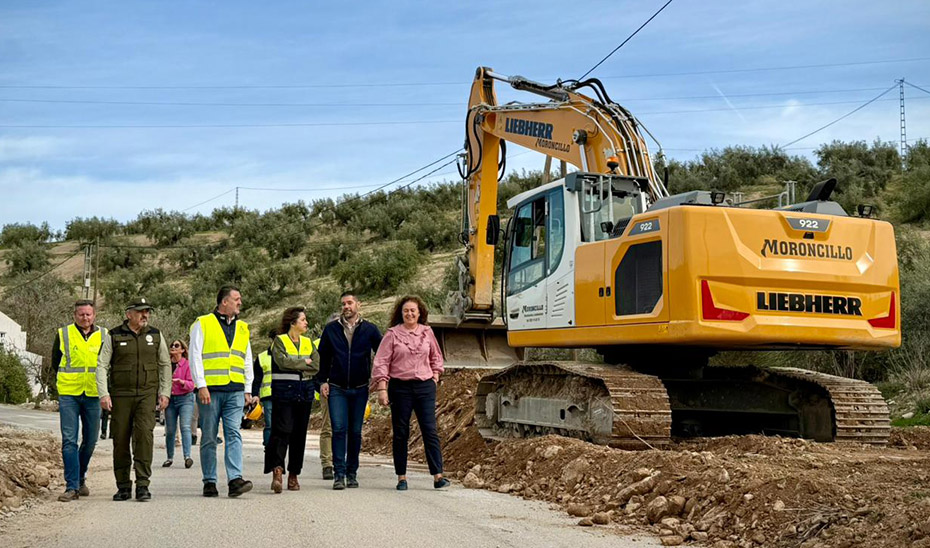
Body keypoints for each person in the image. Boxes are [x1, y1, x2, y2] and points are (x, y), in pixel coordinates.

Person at [96, 297, 171, 501]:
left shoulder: (155, 335)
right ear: (129, 314)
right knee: (120, 440)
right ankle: (123, 486)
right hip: (121, 396)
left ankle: (143, 485)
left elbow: (165, 363)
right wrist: (104, 393)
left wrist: (165, 392)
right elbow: (102, 365)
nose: (145, 315)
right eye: (140, 311)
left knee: (144, 439)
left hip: (147, 395)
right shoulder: (114, 335)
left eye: (147, 311)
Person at [371, 295, 448, 490]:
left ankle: (438, 476)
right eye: (406, 310)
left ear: (420, 312)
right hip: (400, 387)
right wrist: (382, 388)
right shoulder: (392, 334)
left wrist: (435, 376)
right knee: (401, 432)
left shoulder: (427, 332)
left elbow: (436, 356)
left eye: (413, 310)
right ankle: (401, 477)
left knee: (429, 430)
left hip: (424, 387)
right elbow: (381, 361)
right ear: (401, 313)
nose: (410, 313)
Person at [189, 285, 255, 498]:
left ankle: (235, 479)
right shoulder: (203, 323)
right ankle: (209, 480)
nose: (240, 303)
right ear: (224, 302)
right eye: (236, 299)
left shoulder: (243, 328)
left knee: (234, 433)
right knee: (209, 435)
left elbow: (246, 359)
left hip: (235, 390)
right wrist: (201, 385)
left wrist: (247, 388)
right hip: (211, 390)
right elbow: (195, 355)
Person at [317, 292, 382, 490]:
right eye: (343, 304)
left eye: (350, 303)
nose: (346, 306)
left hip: (361, 387)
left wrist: (377, 379)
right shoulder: (331, 330)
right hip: (336, 387)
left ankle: (352, 473)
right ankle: (339, 474)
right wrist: (322, 381)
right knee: (338, 429)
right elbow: (323, 358)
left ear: (358, 305)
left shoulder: (370, 329)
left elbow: (381, 355)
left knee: (355, 432)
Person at [52, 300, 107, 502]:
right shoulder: (63, 334)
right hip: (69, 393)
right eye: (81, 314)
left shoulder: (105, 335)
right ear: (74, 315)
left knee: (91, 440)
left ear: (94, 315)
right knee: (69, 441)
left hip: (93, 394)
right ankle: (72, 486)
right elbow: (55, 362)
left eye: (88, 314)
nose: (85, 318)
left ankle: (80, 477)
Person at [265, 307, 318, 493]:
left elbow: (317, 365)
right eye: (303, 319)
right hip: (284, 392)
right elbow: (282, 362)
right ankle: (277, 470)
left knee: (299, 434)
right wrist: (304, 363)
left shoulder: (308, 342)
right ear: (292, 322)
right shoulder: (280, 341)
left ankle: (294, 474)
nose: (306, 323)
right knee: (282, 431)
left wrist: (296, 365)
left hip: (304, 393)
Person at [163, 339, 195, 469]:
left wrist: (181, 382)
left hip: (185, 399)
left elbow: (192, 385)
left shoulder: (187, 364)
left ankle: (187, 457)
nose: (173, 347)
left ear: (183, 349)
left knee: (185, 427)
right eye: (171, 345)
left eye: (177, 345)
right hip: (170, 400)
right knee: (170, 430)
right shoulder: (166, 365)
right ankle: (169, 457)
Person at [251, 329, 278, 447]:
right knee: (270, 424)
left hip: (285, 395)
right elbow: (257, 379)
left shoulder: (289, 355)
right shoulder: (262, 357)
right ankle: (269, 448)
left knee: (283, 425)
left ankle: (279, 449)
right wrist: (255, 395)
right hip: (268, 396)